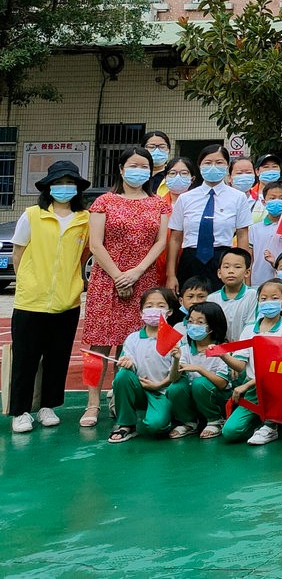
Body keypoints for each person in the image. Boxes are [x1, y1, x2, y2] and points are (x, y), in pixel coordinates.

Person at [80, 148, 173, 427]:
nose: (139, 171)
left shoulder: (160, 204)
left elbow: (160, 242)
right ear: (121, 170)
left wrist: (136, 272)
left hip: (143, 280)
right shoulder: (103, 202)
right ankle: (92, 402)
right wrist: (119, 275)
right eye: (133, 165)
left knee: (130, 343)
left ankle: (118, 397)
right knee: (98, 344)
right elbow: (96, 243)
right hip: (106, 280)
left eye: (144, 166)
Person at [8, 160, 91, 434]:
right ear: (48, 187)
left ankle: (48, 406)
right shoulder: (32, 215)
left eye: (70, 184)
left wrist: (74, 284)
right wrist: (27, 283)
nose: (64, 189)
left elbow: (83, 256)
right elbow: (18, 253)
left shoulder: (84, 219)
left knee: (58, 357)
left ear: (78, 189)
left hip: (67, 301)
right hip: (31, 301)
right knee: (25, 358)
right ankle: (20, 411)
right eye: (59, 183)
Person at [166, 144, 251, 292]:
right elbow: (175, 238)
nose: (213, 167)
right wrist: (171, 275)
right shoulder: (185, 198)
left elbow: (243, 236)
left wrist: (243, 272)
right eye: (208, 163)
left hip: (223, 260)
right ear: (199, 166)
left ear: (226, 167)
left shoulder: (238, 197)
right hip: (190, 259)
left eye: (219, 163)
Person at [223, 280, 282, 445]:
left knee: (276, 386)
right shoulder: (249, 329)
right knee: (230, 432)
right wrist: (223, 355)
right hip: (252, 390)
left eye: (274, 298)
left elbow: (279, 370)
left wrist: (245, 386)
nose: (268, 302)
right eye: (263, 298)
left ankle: (271, 425)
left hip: (274, 387)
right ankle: (260, 419)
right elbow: (240, 365)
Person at [107, 287, 181, 442]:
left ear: (170, 312)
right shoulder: (133, 338)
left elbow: (177, 375)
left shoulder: (175, 338)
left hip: (162, 391)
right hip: (140, 388)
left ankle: (170, 415)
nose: (154, 310)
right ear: (141, 313)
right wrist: (127, 364)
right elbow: (128, 366)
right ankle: (126, 425)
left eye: (161, 306)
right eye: (149, 306)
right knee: (122, 376)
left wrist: (174, 362)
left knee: (156, 427)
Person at [167, 301, 234, 439]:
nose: (193, 326)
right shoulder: (185, 349)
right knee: (175, 387)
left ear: (212, 326)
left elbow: (222, 384)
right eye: (190, 321)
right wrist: (176, 360)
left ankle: (215, 420)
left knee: (200, 383)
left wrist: (199, 369)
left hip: (217, 397)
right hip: (194, 399)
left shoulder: (221, 350)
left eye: (200, 322)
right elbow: (173, 378)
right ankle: (189, 422)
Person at [207, 247, 257, 340]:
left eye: (237, 267)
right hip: (219, 350)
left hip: (245, 349)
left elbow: (251, 327)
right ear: (219, 273)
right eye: (226, 267)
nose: (231, 271)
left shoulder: (253, 295)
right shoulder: (211, 299)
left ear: (247, 272)